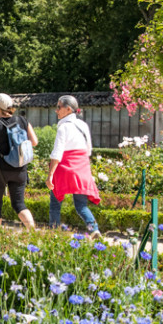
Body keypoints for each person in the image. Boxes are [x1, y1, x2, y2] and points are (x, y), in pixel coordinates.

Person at [0, 93, 38, 229]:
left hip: (0, 170)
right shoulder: (22, 120)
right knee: (19, 204)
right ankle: (33, 232)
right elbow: (34, 142)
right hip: (20, 169)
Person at [47, 95, 100, 235]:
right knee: (81, 206)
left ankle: (54, 234)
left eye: (59, 107)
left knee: (55, 204)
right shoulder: (83, 126)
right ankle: (94, 229)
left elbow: (57, 153)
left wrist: (50, 175)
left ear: (68, 109)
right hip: (82, 168)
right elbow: (88, 150)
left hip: (65, 168)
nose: (56, 110)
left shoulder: (63, 128)